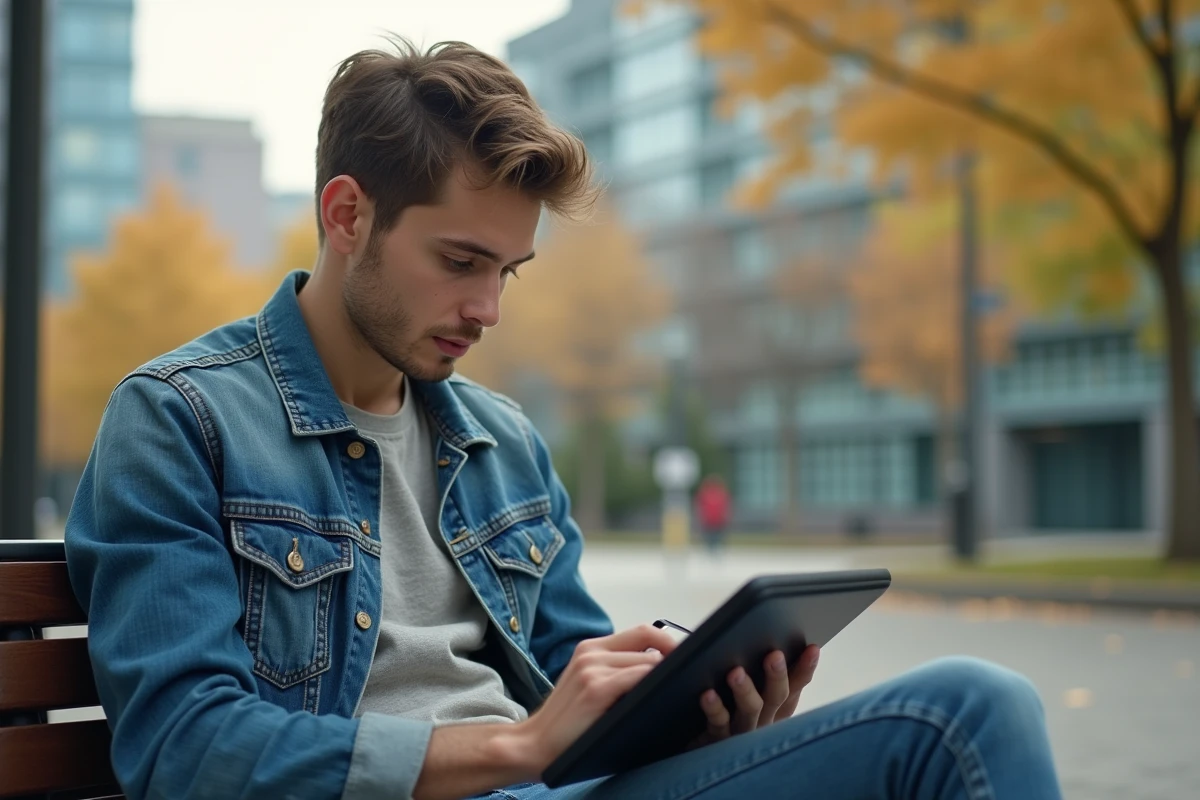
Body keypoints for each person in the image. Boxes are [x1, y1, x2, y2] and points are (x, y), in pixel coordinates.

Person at [64, 39, 1062, 800]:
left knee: (972, 709)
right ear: (346, 214)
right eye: (460, 262)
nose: (488, 310)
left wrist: (701, 709)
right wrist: (515, 746)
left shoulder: (500, 442)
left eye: (507, 271)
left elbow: (582, 694)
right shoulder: (180, 419)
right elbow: (184, 745)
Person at [694, 474, 731, 554]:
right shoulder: (707, 493)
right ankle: (711, 550)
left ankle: (714, 549)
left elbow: (725, 506)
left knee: (716, 536)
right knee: (710, 536)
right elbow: (700, 506)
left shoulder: (720, 493)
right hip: (710, 520)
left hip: (717, 520)